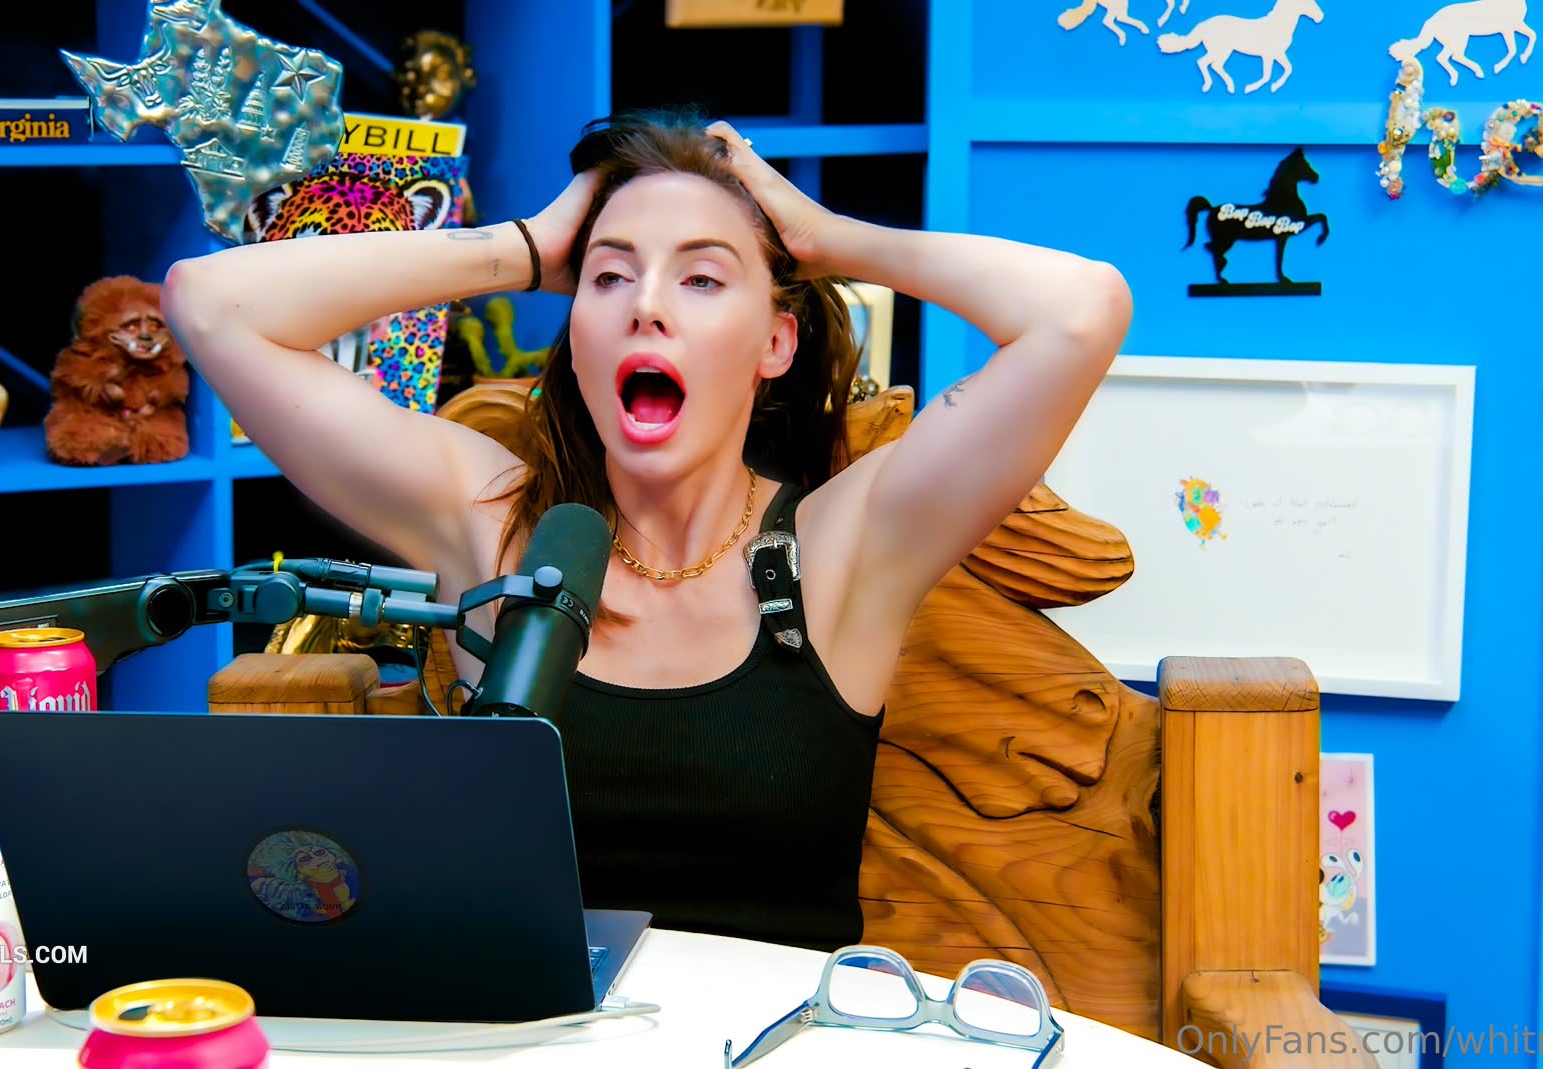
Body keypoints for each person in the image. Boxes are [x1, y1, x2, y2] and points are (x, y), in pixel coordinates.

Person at [161, 108, 1131, 952]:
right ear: (576, 332)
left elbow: (1081, 313)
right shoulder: (495, 527)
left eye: (702, 280)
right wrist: (524, 248)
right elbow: (212, 305)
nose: (648, 308)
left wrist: (825, 237)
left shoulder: (847, 549)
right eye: (610, 278)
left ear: (775, 343)